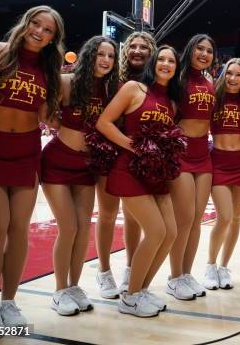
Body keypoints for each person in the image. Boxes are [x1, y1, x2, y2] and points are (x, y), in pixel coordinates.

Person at [0, 5, 64, 338]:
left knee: (19, 230)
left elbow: (47, 116)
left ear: (54, 39)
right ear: (25, 23)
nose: (39, 31)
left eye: (47, 29)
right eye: (35, 23)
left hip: (26, 152)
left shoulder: (50, 73)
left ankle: (9, 301)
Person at [96, 45, 180, 317]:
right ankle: (129, 298)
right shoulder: (134, 88)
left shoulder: (172, 102)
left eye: (172, 61)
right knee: (156, 231)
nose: (166, 63)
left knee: (170, 234)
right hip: (129, 169)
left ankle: (140, 290)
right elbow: (104, 122)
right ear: (154, 62)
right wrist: (133, 146)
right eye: (162, 59)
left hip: (156, 173)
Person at [41, 36, 119, 316]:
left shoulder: (109, 90)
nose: (106, 60)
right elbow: (45, 111)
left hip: (87, 167)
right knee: (69, 227)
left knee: (84, 228)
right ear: (89, 55)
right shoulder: (67, 82)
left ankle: (74, 286)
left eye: (111, 56)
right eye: (100, 54)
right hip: (58, 162)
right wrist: (59, 127)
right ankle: (59, 290)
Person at [95, 31, 156, 298]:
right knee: (107, 214)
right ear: (125, 51)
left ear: (151, 52)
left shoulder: (154, 84)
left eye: (144, 46)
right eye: (133, 46)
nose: (138, 50)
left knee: (134, 218)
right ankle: (104, 271)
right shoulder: (111, 81)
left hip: (138, 158)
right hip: (108, 150)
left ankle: (131, 269)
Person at [166, 34, 216, 300]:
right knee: (183, 219)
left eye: (208, 50)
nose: (204, 54)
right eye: (200, 48)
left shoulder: (210, 82)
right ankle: (174, 278)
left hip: (203, 155)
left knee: (197, 219)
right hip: (182, 153)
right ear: (190, 49)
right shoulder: (178, 79)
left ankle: (186, 274)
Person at [203, 58, 240, 290]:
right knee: (224, 216)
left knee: (236, 218)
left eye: (238, 75)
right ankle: (210, 264)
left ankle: (224, 266)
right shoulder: (214, 98)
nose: (233, 78)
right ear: (224, 75)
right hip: (219, 162)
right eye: (229, 73)